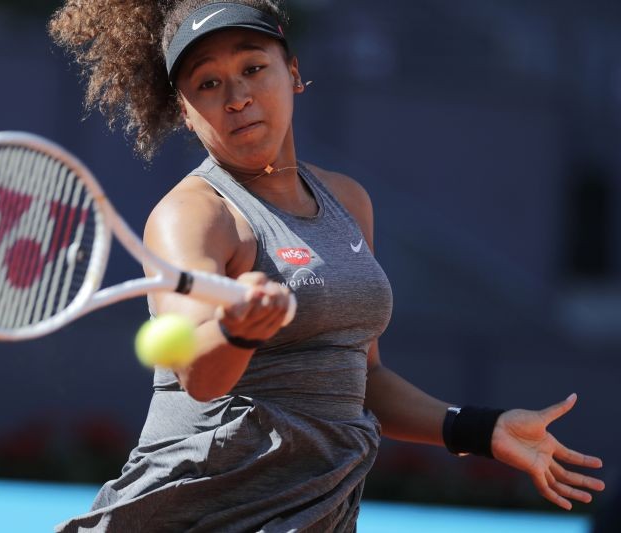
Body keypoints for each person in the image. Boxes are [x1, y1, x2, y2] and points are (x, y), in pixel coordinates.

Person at [49, 1, 605, 530]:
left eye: (253, 67)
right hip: (197, 510)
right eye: (208, 84)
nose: (238, 96)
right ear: (186, 114)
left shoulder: (348, 200)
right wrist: (234, 331)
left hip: (313, 512)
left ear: (293, 73)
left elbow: (363, 378)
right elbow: (197, 374)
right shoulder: (193, 215)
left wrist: (480, 429)